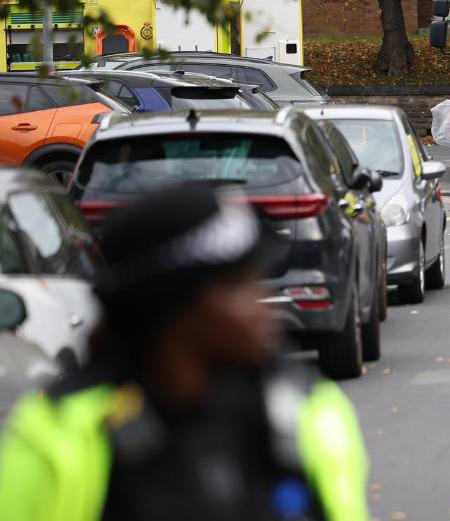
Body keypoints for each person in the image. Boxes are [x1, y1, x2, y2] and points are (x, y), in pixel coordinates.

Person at [0, 184, 369, 521]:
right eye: (237, 284)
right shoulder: (57, 440)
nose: (260, 305)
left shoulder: (309, 412)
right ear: (172, 306)